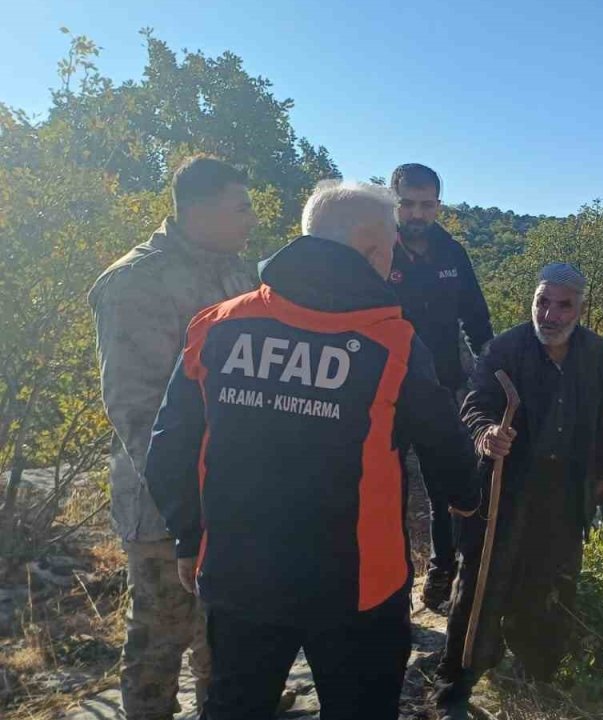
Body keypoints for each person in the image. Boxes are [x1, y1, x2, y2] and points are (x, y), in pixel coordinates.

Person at [144, 182, 481, 720]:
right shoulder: (392, 341)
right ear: (373, 249)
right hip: (359, 586)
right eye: (390, 247)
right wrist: (467, 501)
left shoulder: (218, 325)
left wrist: (190, 535)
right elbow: (445, 445)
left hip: (239, 575)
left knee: (235, 707)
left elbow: (168, 447)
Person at [89, 156, 258, 719]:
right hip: (165, 505)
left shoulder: (238, 272)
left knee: (226, 638)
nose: (251, 219)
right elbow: (135, 411)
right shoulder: (136, 281)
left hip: (233, 496)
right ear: (199, 210)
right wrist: (190, 505)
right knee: (161, 641)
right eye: (241, 207)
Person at [433, 263, 603, 720]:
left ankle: (539, 675)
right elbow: (475, 406)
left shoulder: (595, 351)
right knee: (481, 583)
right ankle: (456, 684)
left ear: (580, 308)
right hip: (505, 488)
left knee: (549, 580)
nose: (550, 314)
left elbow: (602, 420)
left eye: (563, 305)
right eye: (542, 302)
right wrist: (487, 435)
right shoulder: (505, 348)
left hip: (564, 489)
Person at [388, 163, 494, 612]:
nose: (417, 213)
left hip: (441, 388)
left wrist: (493, 370)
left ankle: (440, 572)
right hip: (384, 393)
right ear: (392, 202)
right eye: (408, 204)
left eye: (426, 205)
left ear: (438, 205)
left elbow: (475, 318)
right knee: (386, 490)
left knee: (445, 486)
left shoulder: (452, 253)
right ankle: (391, 582)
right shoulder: (374, 249)